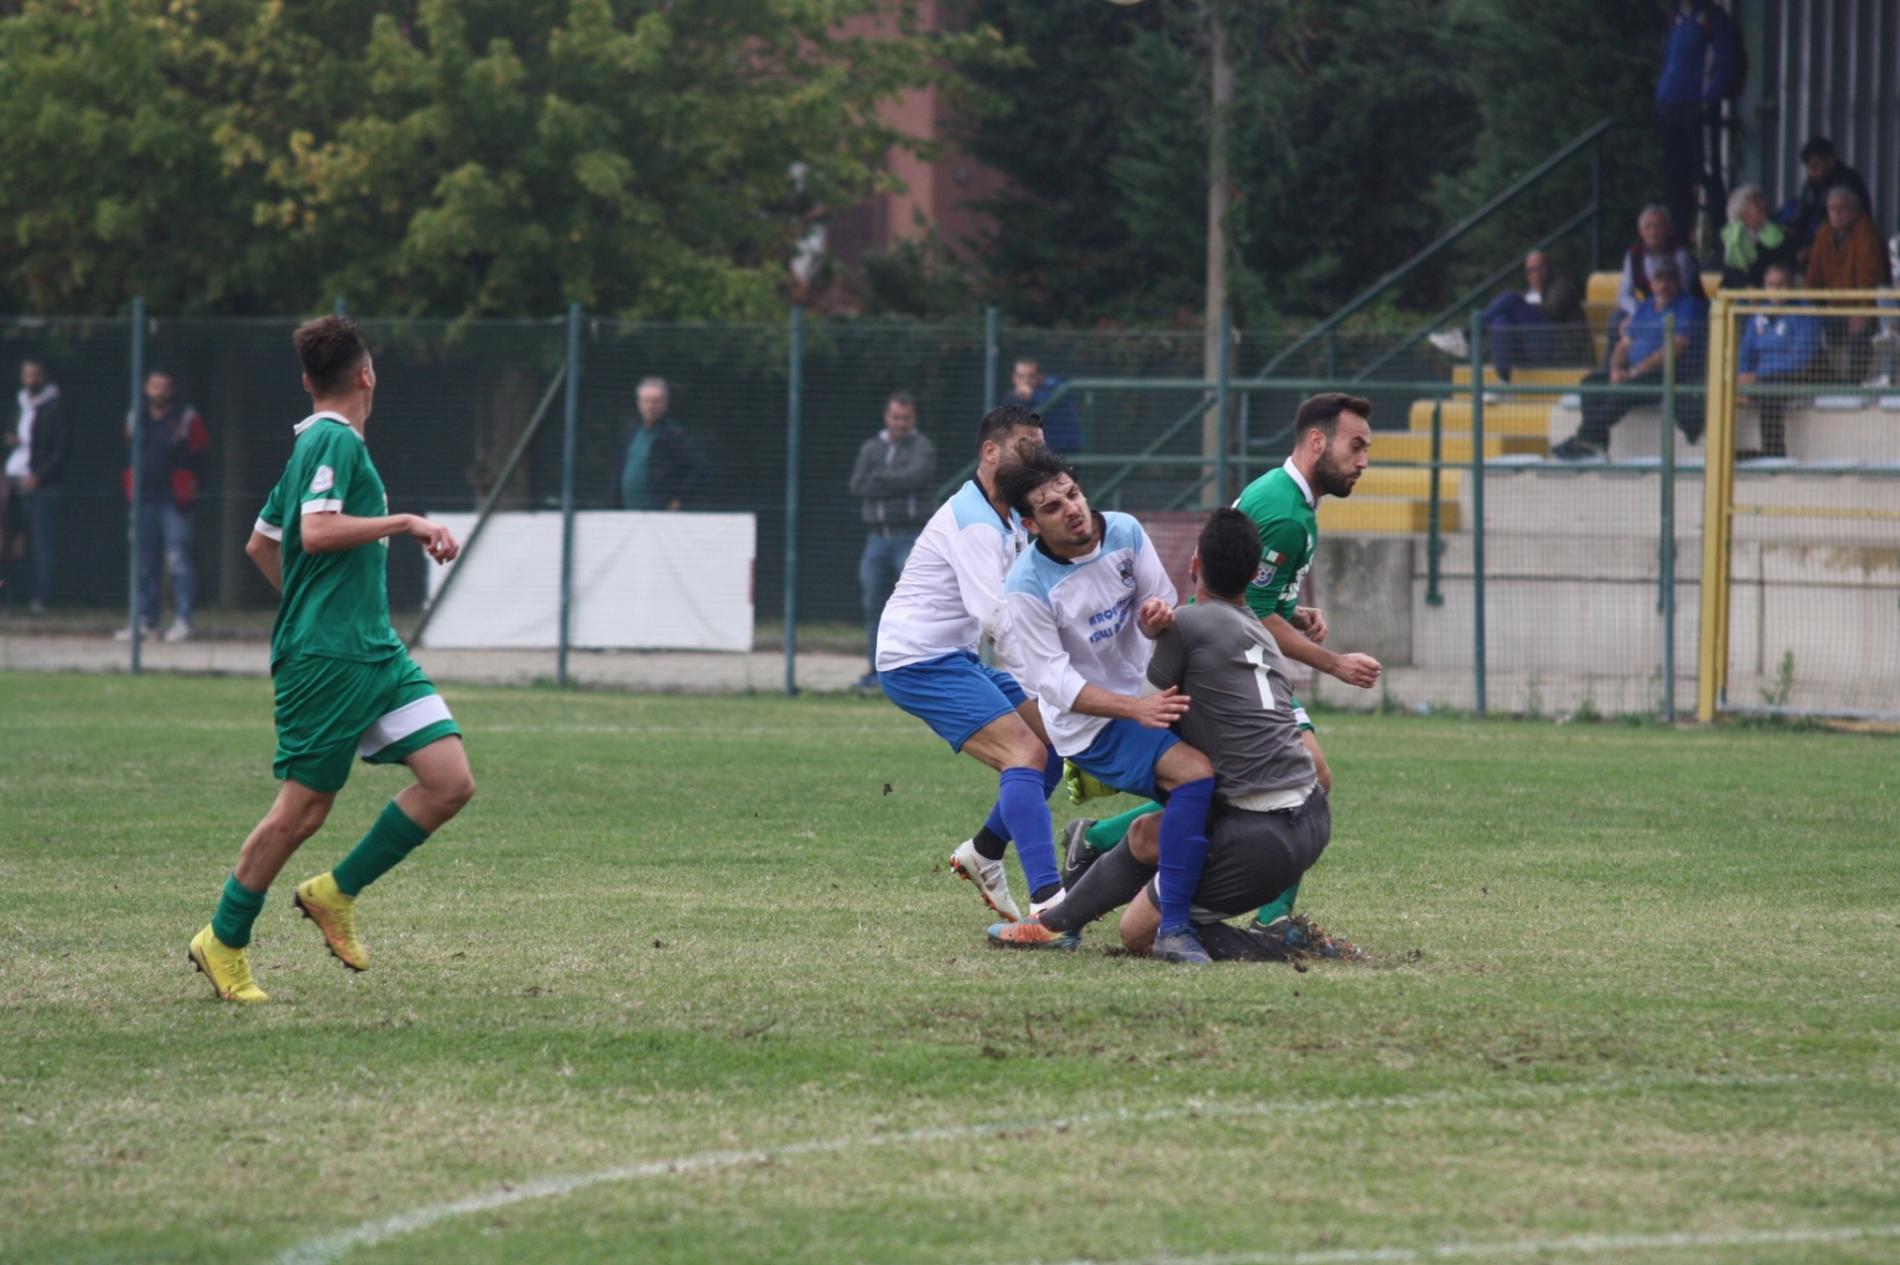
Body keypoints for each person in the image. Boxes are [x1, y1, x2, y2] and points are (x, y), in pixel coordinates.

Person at [186, 315, 475, 1005]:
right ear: (367, 375)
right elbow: (314, 533)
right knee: (302, 811)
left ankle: (334, 891)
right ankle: (222, 938)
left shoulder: (315, 446)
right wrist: (406, 522)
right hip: (329, 660)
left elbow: (265, 544)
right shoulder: (330, 440)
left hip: (373, 650)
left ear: (308, 379)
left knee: (449, 779)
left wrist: (322, 604)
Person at [1060, 393, 1379, 941]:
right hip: (1223, 660)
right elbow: (1248, 615)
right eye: (1357, 446)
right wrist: (1335, 664)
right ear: (1318, 441)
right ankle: (1271, 916)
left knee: (1225, 793)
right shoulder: (1283, 512)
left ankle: (1097, 838)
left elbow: (1258, 599)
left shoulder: (1292, 502)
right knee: (1304, 777)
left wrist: (1295, 614)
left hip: (1228, 649)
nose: (1364, 460)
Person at [992, 510, 1329, 960]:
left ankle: (1276, 949)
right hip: (1311, 819)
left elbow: (1149, 710)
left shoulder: (1186, 625)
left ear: (1193, 566)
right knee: (1147, 835)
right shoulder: (1262, 634)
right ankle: (1055, 925)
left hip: (1264, 839)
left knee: (1136, 933)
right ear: (1253, 575)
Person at [986, 449, 1220, 963]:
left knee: (1216, 788)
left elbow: (1160, 608)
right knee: (1196, 776)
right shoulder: (1025, 587)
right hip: (1089, 727)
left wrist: (1155, 618)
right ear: (1030, 524)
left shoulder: (1125, 531)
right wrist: (1134, 710)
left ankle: (1059, 917)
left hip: (1150, 695)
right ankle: (1174, 929)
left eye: (1072, 493)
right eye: (1051, 507)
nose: (1071, 508)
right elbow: (1057, 685)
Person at [874, 404, 1064, 923]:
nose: (1037, 458)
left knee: (1051, 746)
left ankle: (982, 852)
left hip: (950, 657)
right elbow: (997, 620)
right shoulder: (976, 522)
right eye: (1027, 447)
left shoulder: (1006, 517)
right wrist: (1051, 682)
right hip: (917, 660)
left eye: (1040, 448)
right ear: (990, 452)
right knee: (1025, 752)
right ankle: (1050, 903)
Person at [1552, 260, 1707, 460]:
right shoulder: (1645, 306)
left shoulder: (1687, 306)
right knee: (1590, 383)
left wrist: (1634, 372)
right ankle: (1596, 442)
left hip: (1667, 374)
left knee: (1627, 389)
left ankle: (1587, 438)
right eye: (1659, 279)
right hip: (1636, 372)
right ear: (1651, 283)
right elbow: (1625, 344)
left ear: (1678, 282)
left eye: (1670, 279)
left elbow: (1675, 347)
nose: (1664, 284)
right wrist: (1615, 368)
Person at [848, 393, 935, 689]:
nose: (900, 423)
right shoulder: (871, 447)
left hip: (910, 538)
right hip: (876, 540)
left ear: (914, 419)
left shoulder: (922, 447)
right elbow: (857, 484)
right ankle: (876, 672)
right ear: (887, 417)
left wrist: (881, 479)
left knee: (916, 607)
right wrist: (895, 482)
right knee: (874, 606)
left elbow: (917, 477)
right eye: (896, 417)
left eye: (906, 418)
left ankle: (918, 671)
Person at [120, 370, 211, 642]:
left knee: (178, 560)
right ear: (147, 388)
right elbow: (127, 450)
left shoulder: (186, 417)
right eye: (155, 386)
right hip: (143, 498)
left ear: (171, 390)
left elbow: (201, 454)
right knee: (144, 563)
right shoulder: (136, 417)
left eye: (165, 387)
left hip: (174, 500)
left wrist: (189, 484)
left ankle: (183, 620)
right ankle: (146, 622)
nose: (159, 391)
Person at [1655, 0, 1743, 245]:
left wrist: (1707, 99)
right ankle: (1680, 241)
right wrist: (1661, 96)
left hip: (1698, 108)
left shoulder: (1712, 19)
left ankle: (1721, 241)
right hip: (1670, 106)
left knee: (1707, 172)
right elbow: (1668, 59)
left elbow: (1726, 63)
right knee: (1676, 175)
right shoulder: (1674, 17)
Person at [1429, 251, 1587, 384]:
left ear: (1548, 269)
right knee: (1501, 319)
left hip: (1559, 350)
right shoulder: (1532, 293)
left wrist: (1524, 308)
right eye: (1530, 271)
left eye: (1538, 269)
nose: (1534, 275)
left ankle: (1466, 335)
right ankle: (1504, 379)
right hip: (1532, 349)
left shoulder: (1561, 285)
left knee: (1511, 298)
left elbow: (1554, 311)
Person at [1805, 186, 1892, 383]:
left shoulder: (1866, 231)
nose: (1836, 214)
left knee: (1860, 331)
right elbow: (1813, 276)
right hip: (1832, 310)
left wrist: (1862, 310)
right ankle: (1826, 382)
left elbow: (1870, 278)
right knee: (1807, 326)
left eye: (1842, 208)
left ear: (1855, 210)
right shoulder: (1824, 232)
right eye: (1831, 208)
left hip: (1864, 310)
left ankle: (1854, 384)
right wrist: (1810, 306)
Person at [1735, 263, 1821, 460]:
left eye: (1781, 284)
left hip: (1796, 375)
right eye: (1771, 284)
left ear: (1791, 286)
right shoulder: (1760, 312)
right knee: (1722, 388)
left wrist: (1757, 376)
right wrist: (1743, 374)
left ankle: (1773, 453)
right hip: (1759, 377)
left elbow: (1801, 359)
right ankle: (1722, 451)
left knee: (1768, 389)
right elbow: (1746, 352)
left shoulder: (1805, 312)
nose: (1776, 289)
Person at [3, 359, 66, 615]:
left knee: (41, 543)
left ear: (44, 376)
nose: (30, 379)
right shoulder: (19, 403)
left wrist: (39, 476)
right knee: (7, 542)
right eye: (26, 373)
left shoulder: (54, 407)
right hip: (12, 480)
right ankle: (7, 597)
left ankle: (41, 599)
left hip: (39, 485)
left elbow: (60, 449)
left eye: (35, 374)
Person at [1606, 207, 1702, 366]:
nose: (1653, 232)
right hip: (1648, 307)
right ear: (1640, 231)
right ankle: (1611, 370)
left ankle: (1642, 368)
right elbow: (1624, 293)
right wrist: (1637, 314)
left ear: (1668, 229)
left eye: (1658, 226)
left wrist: (1646, 315)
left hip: (1676, 310)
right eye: (1648, 227)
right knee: (1617, 319)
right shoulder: (1633, 253)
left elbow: (1676, 291)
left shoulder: (1680, 254)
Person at [1777, 137, 1875, 262]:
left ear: (1830, 160)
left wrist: (1814, 247)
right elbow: (1802, 216)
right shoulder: (1812, 185)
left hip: (1847, 246)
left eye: (1816, 166)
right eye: (1809, 167)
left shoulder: (1849, 183)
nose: (1811, 172)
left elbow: (1843, 226)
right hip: (1816, 243)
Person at [618, 377, 704, 511]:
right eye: (646, 401)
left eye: (656, 402)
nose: (650, 406)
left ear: (665, 404)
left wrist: (679, 499)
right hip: (627, 512)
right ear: (638, 403)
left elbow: (698, 467)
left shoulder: (675, 435)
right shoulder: (630, 432)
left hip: (659, 514)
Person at [1001, 357, 1081, 453]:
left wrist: (1032, 395)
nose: (1026, 381)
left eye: (1031, 376)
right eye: (1021, 376)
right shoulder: (1012, 397)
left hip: (1064, 449)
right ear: (1013, 378)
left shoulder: (1054, 386)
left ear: (1040, 377)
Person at [1719, 186, 1794, 288]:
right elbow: (1723, 271)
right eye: (1757, 202)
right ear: (1743, 213)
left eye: (1762, 200)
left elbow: (1785, 267)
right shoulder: (1726, 237)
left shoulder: (1777, 235)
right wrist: (1745, 285)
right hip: (1736, 297)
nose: (1764, 204)